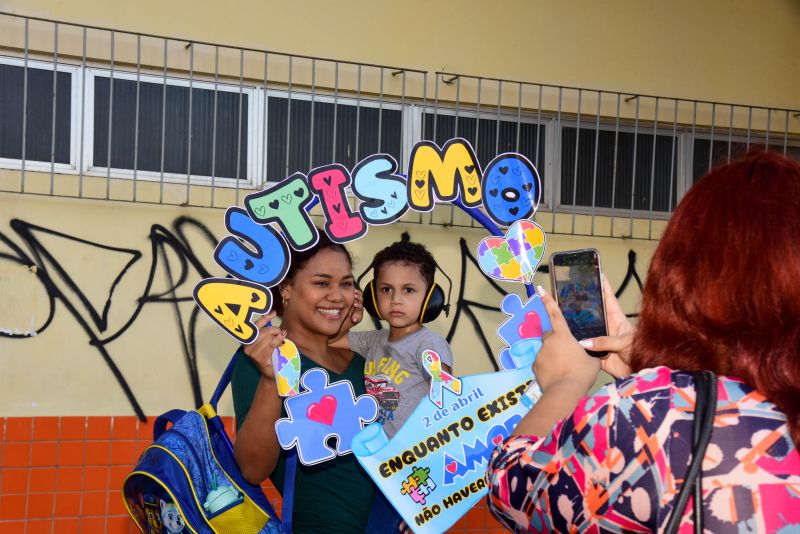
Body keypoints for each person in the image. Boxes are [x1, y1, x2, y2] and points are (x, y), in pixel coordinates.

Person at [487, 150, 800, 532]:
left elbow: (511, 490)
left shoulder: (655, 414)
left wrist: (565, 383)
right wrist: (653, 370)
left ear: (685, 274)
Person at [231, 233, 375, 533]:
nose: (337, 296)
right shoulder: (259, 361)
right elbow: (253, 470)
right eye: (322, 283)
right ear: (286, 288)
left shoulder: (364, 361)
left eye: (346, 284)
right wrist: (273, 381)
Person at [330, 238, 454, 532]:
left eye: (408, 290)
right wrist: (350, 316)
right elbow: (331, 340)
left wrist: (429, 502)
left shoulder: (428, 344)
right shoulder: (372, 341)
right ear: (373, 296)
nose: (396, 299)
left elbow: (447, 401)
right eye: (386, 290)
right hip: (380, 466)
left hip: (415, 467)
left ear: (431, 298)